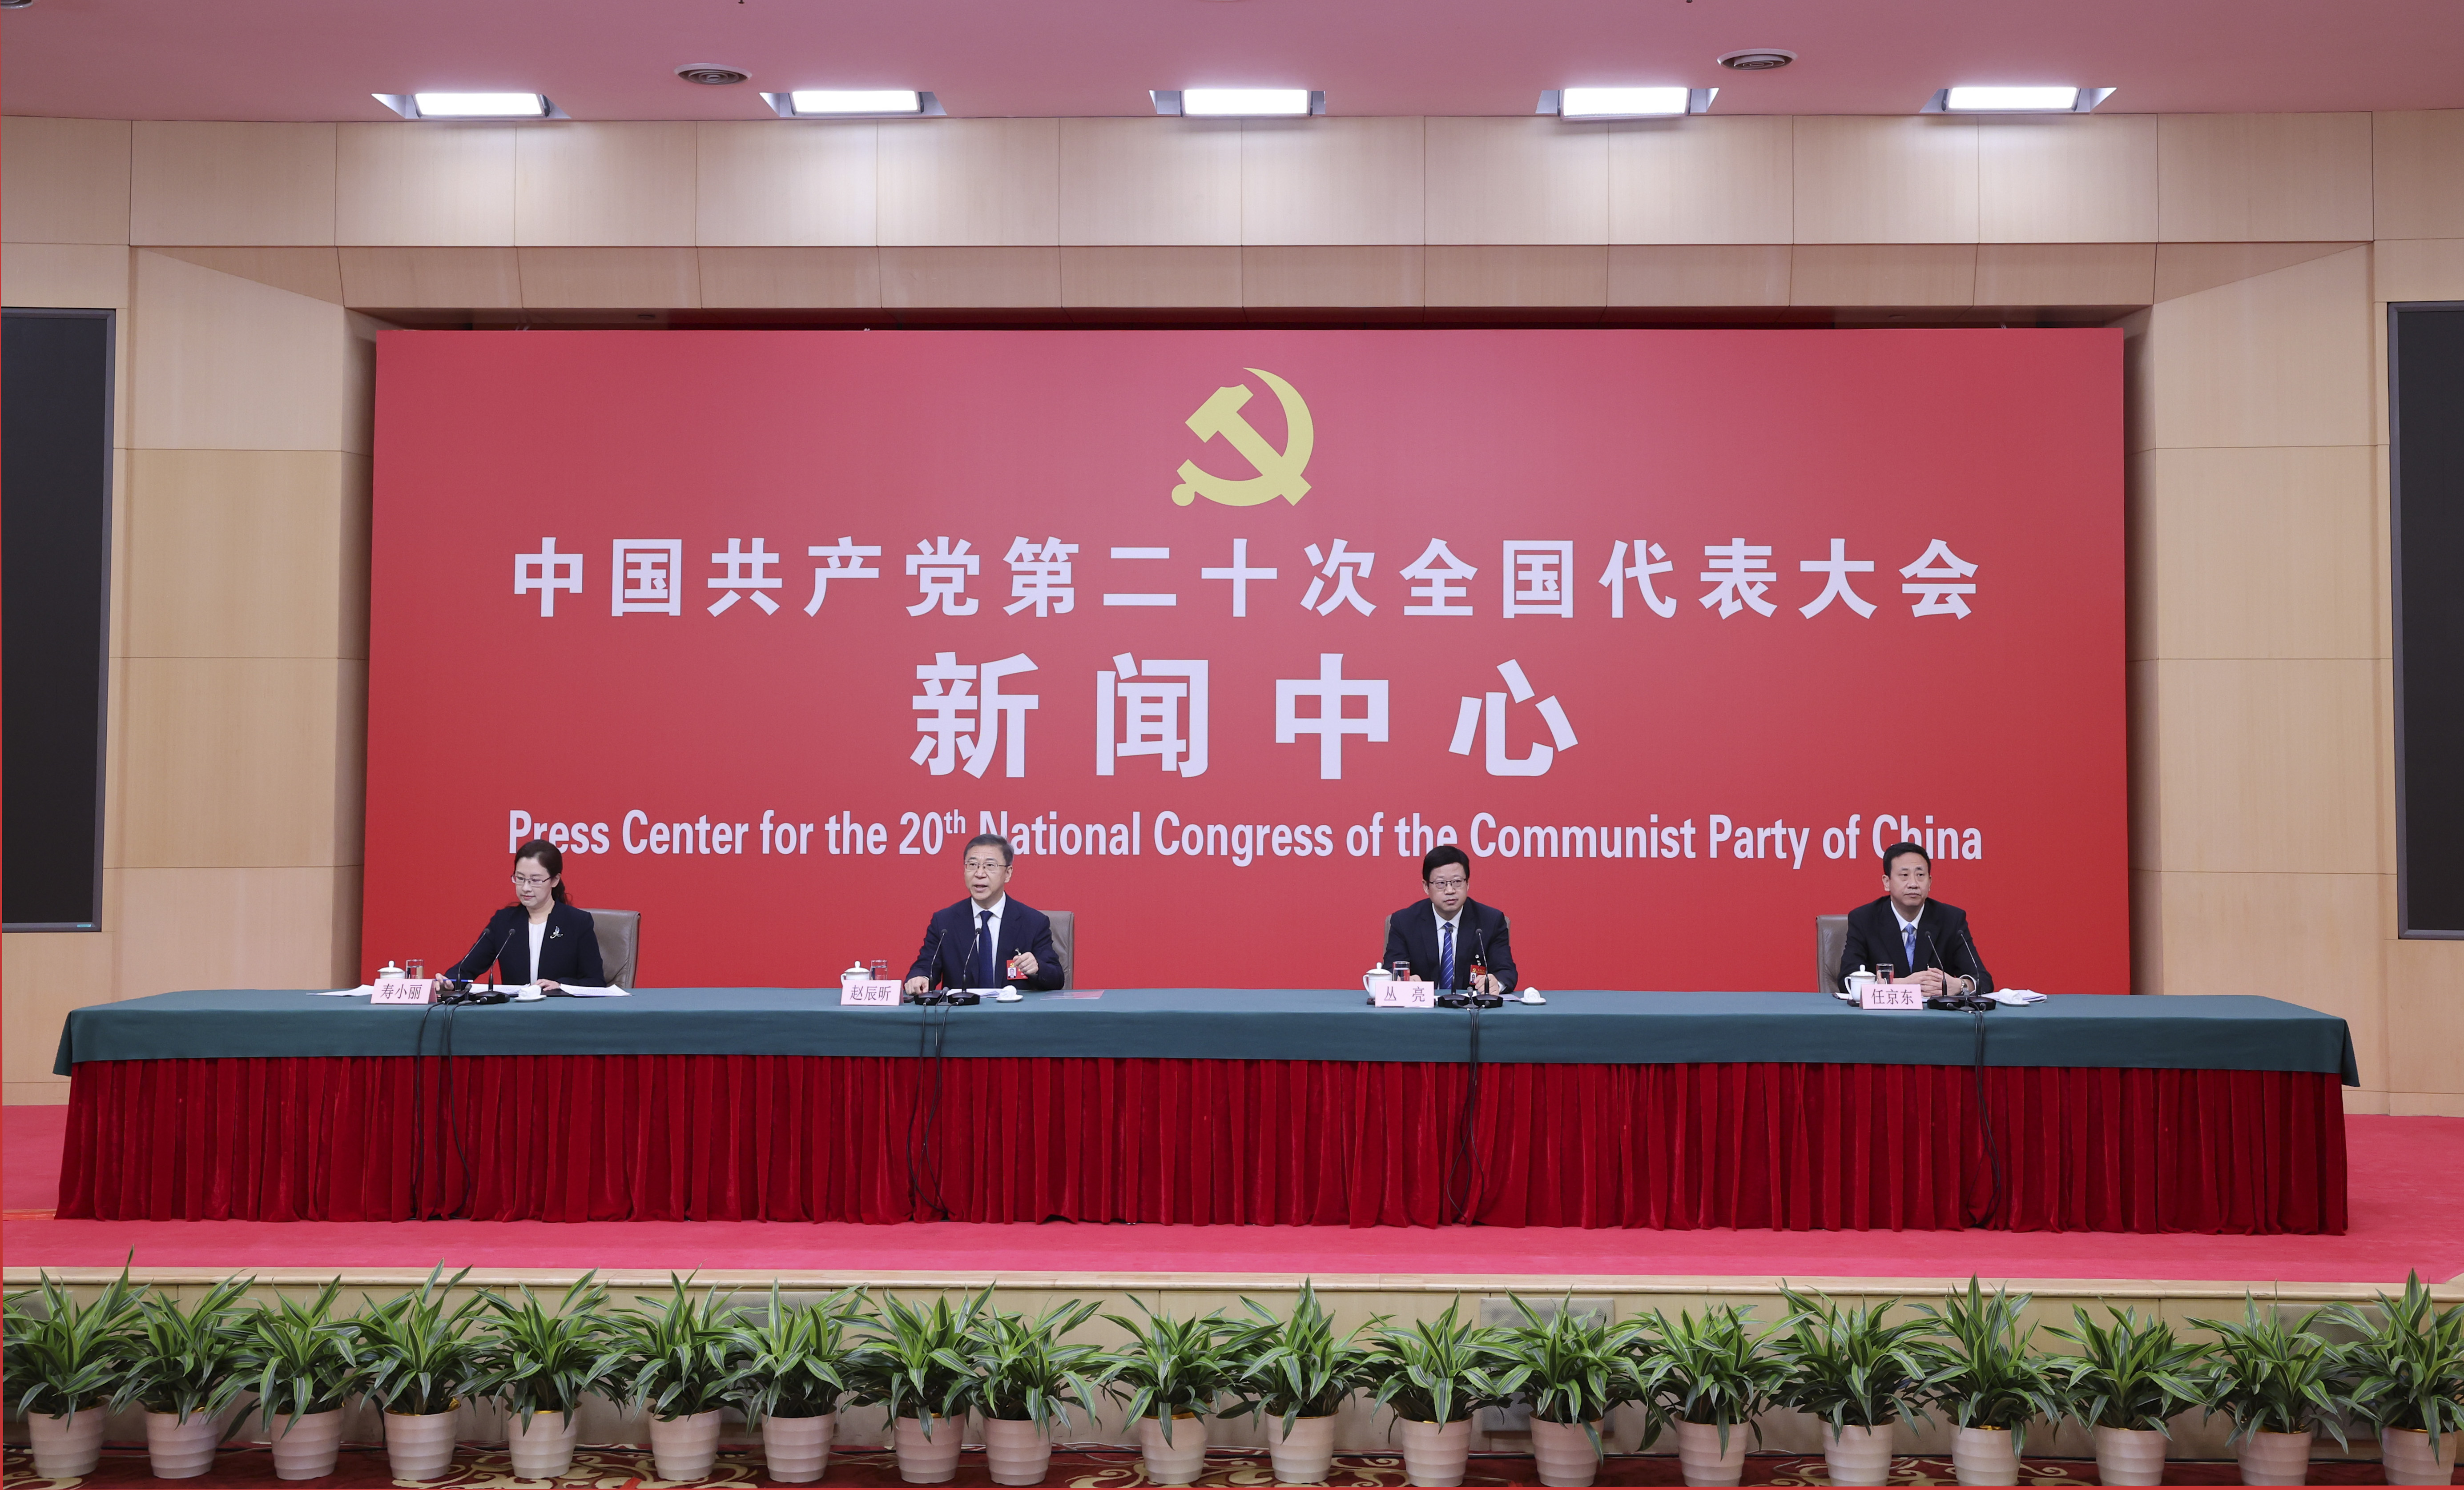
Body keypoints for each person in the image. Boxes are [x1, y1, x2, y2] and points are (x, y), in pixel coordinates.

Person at [904, 833, 1066, 994]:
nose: (980, 874)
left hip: (1013, 1010)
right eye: (972, 865)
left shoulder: (1033, 922)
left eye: (990, 866)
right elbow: (925, 966)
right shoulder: (945, 922)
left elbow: (1057, 978)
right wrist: (920, 977)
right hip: (961, 1009)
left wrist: (1037, 968)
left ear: (1008, 873)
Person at [441, 839, 604, 990]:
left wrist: (560, 985)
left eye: (535, 880)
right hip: (515, 1010)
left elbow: (595, 982)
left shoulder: (577, 922)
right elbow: (467, 968)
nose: (526, 888)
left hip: (560, 1009)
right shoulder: (504, 922)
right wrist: (449, 982)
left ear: (555, 880)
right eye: (520, 879)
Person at [1841, 841, 1992, 996]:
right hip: (1884, 1011)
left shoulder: (1951, 919)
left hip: (1934, 1012)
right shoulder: (1864, 919)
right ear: (1887, 882)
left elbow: (1983, 980)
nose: (1913, 884)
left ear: (1930, 882)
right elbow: (1847, 980)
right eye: (1904, 876)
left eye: (1920, 875)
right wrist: (1899, 985)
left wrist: (1961, 986)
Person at [1381, 844, 1517, 996]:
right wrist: (1403, 981)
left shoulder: (1491, 921)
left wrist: (1496, 984)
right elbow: (1390, 970)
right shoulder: (1404, 922)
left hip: (1472, 1007)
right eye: (1441, 884)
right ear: (1426, 887)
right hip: (1421, 1007)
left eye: (1457, 882)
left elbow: (1506, 972)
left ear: (1468, 883)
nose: (1450, 890)